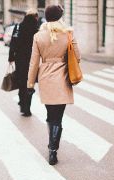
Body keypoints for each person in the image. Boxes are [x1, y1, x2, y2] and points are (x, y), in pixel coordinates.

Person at [27, 5, 80, 165]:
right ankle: (53, 149)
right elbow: (77, 56)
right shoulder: (68, 34)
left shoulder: (38, 36)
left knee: (51, 115)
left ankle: (52, 148)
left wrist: (30, 84)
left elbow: (34, 62)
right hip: (63, 79)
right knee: (59, 117)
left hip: (46, 79)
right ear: (59, 17)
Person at [8, 9, 39, 116]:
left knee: (22, 83)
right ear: (35, 17)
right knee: (30, 84)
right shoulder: (36, 29)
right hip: (32, 61)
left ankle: (22, 103)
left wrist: (11, 57)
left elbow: (13, 43)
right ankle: (27, 108)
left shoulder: (18, 27)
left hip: (20, 60)